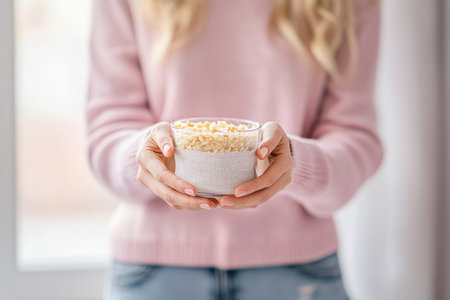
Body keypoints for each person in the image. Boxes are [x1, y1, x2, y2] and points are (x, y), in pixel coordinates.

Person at [86, 0, 382, 299]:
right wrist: (144, 158)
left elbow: (354, 138)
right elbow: (107, 132)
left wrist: (295, 162)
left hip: (297, 271)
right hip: (155, 271)